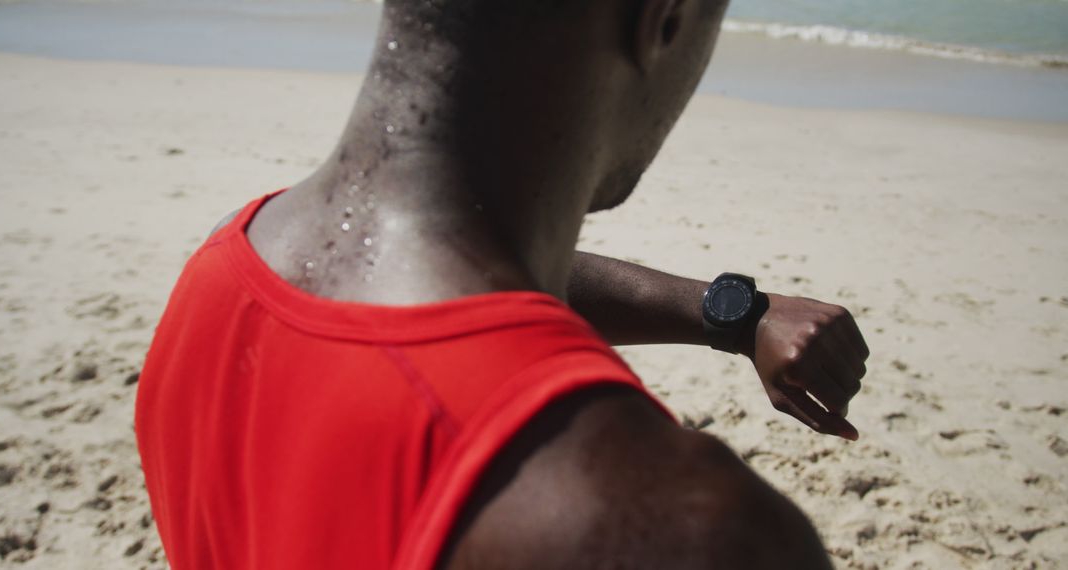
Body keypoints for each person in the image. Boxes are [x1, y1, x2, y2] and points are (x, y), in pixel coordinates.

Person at [136, 0, 869, 568]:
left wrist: (731, 316)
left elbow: (448, 301)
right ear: (664, 19)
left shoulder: (218, 276)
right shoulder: (684, 529)